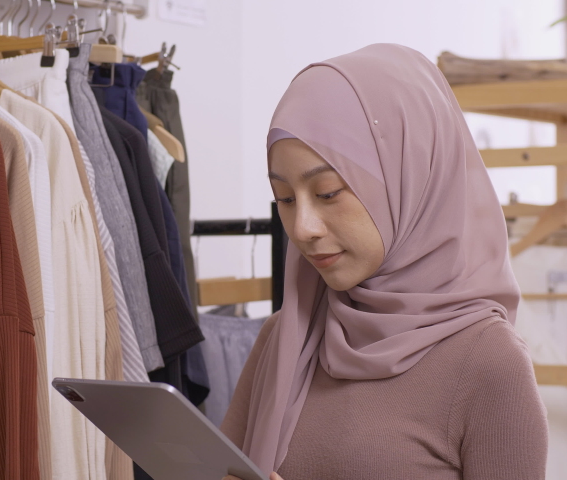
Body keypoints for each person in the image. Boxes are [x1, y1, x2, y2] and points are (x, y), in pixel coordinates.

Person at [221, 44, 548, 480]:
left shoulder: (488, 363)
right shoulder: (284, 338)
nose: (302, 228)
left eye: (327, 193)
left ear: (409, 180)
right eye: (284, 199)